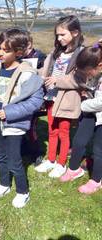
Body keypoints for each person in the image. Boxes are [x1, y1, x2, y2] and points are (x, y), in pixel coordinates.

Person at [0, 28, 43, 208]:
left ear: (19, 52)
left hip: (14, 124)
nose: (0, 53)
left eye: (5, 50)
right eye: (0, 48)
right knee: (0, 156)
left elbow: (35, 102)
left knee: (15, 160)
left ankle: (23, 192)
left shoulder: (28, 73)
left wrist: (10, 112)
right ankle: (4, 184)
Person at [34, 15, 84, 178]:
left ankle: (61, 163)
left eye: (63, 34)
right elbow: (46, 70)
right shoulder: (56, 53)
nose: (59, 38)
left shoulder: (81, 54)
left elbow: (80, 80)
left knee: (63, 132)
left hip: (66, 101)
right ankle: (51, 160)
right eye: (57, 35)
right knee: (51, 130)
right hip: (51, 98)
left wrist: (58, 81)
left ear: (75, 32)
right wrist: (34, 73)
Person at [60, 42, 102, 194]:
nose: (87, 75)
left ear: (100, 65)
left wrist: (83, 105)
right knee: (78, 141)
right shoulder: (94, 70)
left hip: (96, 112)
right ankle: (74, 169)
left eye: (88, 72)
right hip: (91, 111)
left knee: (99, 150)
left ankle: (97, 180)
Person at [21, 31, 47, 165]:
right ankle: (24, 147)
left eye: (21, 47)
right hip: (22, 97)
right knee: (22, 125)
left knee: (31, 127)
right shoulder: (19, 58)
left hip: (35, 98)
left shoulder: (40, 58)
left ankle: (36, 153)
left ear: (29, 44)